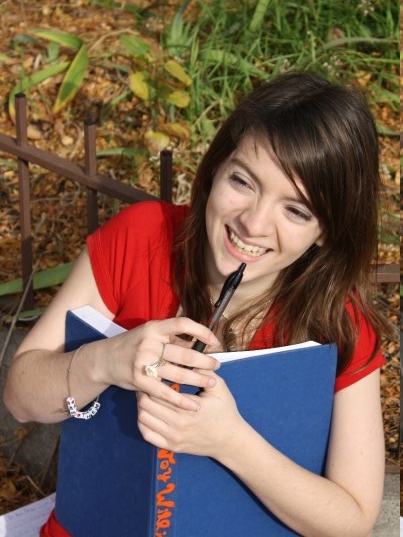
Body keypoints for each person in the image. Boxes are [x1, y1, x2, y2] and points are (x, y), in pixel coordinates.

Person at [3, 72, 389, 536]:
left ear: (326, 231)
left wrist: (230, 442)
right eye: (243, 181)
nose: (254, 224)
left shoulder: (338, 320)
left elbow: (352, 520)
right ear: (215, 168)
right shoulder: (141, 238)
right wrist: (105, 360)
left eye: (296, 210)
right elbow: (20, 399)